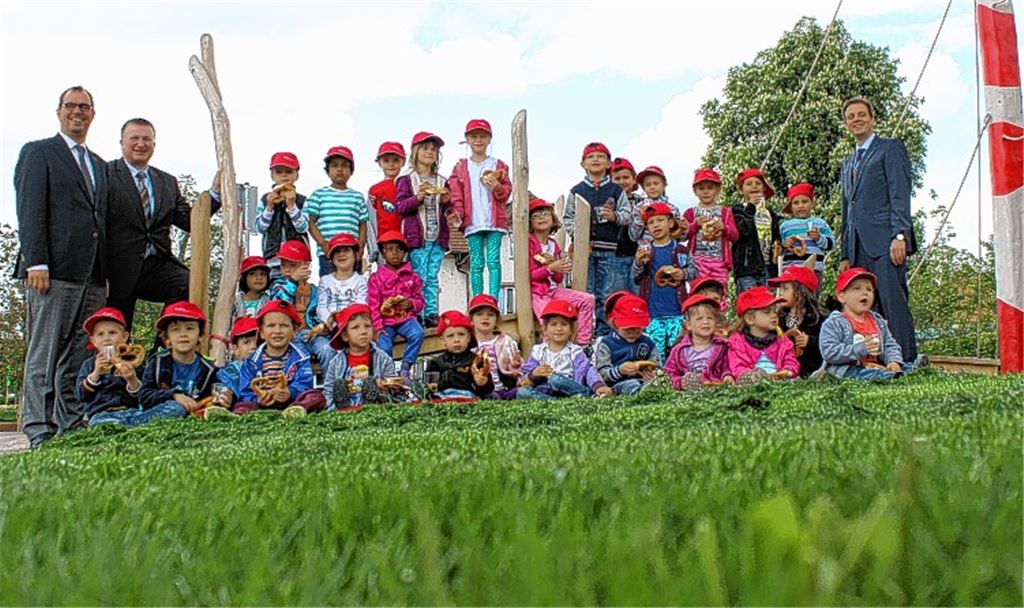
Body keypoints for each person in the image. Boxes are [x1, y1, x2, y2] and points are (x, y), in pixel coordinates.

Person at [15, 85, 109, 448]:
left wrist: (104, 276)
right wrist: (36, 260)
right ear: (59, 112)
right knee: (45, 351)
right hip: (52, 273)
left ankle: (69, 424)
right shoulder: (39, 153)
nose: (78, 112)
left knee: (74, 355)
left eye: (84, 106)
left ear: (93, 114)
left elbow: (101, 222)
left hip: (91, 277)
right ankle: (38, 428)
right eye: (71, 106)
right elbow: (31, 209)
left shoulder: (99, 165)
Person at [106, 117, 221, 335]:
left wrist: (214, 193)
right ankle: (117, 366)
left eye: (146, 139)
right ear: (121, 142)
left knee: (188, 283)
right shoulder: (106, 174)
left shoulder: (166, 182)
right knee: (116, 328)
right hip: (117, 267)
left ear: (154, 144)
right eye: (134, 138)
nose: (141, 144)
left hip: (156, 264)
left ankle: (165, 348)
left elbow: (190, 221)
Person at [840, 96, 918, 360]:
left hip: (886, 241)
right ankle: (879, 360)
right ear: (846, 123)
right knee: (865, 307)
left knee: (892, 301)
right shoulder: (847, 163)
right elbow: (847, 210)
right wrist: (844, 253)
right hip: (858, 246)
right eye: (851, 116)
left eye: (862, 114)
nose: (856, 119)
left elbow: (900, 194)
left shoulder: (890, 149)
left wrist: (900, 235)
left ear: (872, 119)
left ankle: (906, 360)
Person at [565, 142, 631, 338]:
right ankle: (585, 336)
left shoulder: (615, 190)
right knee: (586, 294)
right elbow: (568, 217)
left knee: (605, 295)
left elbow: (627, 214)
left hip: (609, 249)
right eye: (591, 157)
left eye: (601, 156)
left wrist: (615, 217)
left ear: (609, 164)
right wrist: (578, 236)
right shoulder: (576, 190)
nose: (595, 160)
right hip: (585, 252)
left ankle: (603, 337)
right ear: (582, 163)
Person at [449, 119, 513, 299]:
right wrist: (459, 213)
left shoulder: (498, 166)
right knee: (476, 262)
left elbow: (506, 193)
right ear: (467, 140)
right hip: (473, 221)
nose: (478, 140)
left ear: (489, 139)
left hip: (494, 221)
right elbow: (456, 193)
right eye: (474, 136)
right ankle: (477, 298)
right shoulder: (461, 167)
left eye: (483, 136)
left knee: (494, 261)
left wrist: (497, 187)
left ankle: (493, 297)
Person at [229, 300, 327, 417]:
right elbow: (245, 391)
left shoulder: (304, 358)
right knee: (242, 405)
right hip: (261, 405)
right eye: (271, 326)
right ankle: (239, 415)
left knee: (317, 397)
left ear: (294, 331)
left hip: (292, 403)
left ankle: (294, 412)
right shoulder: (251, 362)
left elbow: (306, 383)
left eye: (284, 326)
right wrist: (259, 399)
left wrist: (290, 393)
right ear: (261, 333)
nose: (277, 331)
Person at [395, 131, 451, 328]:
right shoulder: (407, 180)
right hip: (417, 238)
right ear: (416, 152)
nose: (430, 152)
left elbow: (450, 209)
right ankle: (417, 312)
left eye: (434, 149)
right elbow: (400, 207)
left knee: (433, 276)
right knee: (418, 275)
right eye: (426, 148)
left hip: (437, 237)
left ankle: (431, 313)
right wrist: (417, 197)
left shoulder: (443, 181)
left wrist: (446, 202)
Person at [819, 267, 917, 380]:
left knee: (907, 367)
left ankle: (906, 370)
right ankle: (890, 376)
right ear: (842, 297)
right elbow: (829, 352)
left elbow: (889, 345)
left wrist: (893, 361)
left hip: (877, 366)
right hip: (847, 370)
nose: (865, 292)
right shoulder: (834, 323)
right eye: (857, 288)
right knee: (867, 375)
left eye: (869, 289)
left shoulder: (878, 321)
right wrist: (860, 349)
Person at [631, 203, 699, 360]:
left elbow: (695, 272)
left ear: (670, 223)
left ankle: (677, 377)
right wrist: (639, 263)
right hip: (653, 314)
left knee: (678, 349)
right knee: (656, 353)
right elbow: (635, 277)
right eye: (650, 223)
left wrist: (682, 273)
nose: (655, 225)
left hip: (677, 312)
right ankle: (658, 380)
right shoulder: (645, 250)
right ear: (647, 229)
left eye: (660, 220)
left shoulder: (681, 250)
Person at [527, 198, 595, 346]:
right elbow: (529, 276)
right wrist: (550, 268)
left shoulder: (553, 245)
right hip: (537, 293)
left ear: (553, 219)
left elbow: (558, 279)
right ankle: (547, 352)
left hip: (553, 291)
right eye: (535, 216)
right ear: (530, 223)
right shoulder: (529, 243)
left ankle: (583, 343)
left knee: (587, 300)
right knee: (550, 318)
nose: (541, 218)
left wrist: (555, 266)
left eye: (545, 214)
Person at [138, 301, 217, 419]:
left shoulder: (208, 369)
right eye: (176, 330)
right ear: (167, 338)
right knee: (175, 408)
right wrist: (173, 395)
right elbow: (144, 396)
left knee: (178, 409)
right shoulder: (158, 362)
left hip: (187, 417)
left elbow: (211, 397)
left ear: (200, 335)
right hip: (156, 413)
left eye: (189, 328)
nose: (183, 334)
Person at [518, 300, 612, 399]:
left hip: (569, 386)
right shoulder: (538, 351)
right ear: (545, 329)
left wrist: (598, 385)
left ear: (571, 329)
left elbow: (588, 370)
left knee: (555, 380)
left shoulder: (575, 351)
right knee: (522, 392)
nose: (559, 328)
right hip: (546, 390)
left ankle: (584, 394)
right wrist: (534, 374)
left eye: (564, 324)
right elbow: (526, 375)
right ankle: (554, 401)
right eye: (553, 324)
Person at [366, 231, 426, 377]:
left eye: (399, 249)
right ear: (383, 253)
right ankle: (389, 375)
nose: (395, 253)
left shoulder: (413, 277)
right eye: (389, 249)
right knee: (384, 346)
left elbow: (420, 300)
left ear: (405, 252)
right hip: (385, 322)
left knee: (418, 334)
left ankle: (405, 368)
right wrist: (377, 327)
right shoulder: (376, 278)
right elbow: (373, 305)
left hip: (406, 319)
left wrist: (411, 304)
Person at [267, 240, 335, 366]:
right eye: (283, 265)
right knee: (300, 358)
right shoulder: (278, 286)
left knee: (327, 350)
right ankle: (301, 385)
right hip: (291, 336)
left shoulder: (314, 290)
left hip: (312, 335)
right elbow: (279, 306)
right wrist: (293, 281)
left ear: (305, 266)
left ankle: (330, 385)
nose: (287, 269)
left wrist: (322, 327)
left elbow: (318, 314)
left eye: (292, 265)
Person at [322, 303, 402, 410]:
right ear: (345, 336)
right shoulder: (336, 362)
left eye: (367, 326)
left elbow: (393, 384)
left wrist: (383, 385)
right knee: (339, 384)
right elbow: (328, 389)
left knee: (370, 383)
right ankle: (343, 408)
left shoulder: (383, 358)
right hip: (345, 407)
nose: (363, 332)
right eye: (355, 327)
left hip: (376, 406)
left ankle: (369, 405)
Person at [305, 146, 368, 277]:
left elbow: (362, 224)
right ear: (327, 171)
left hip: (351, 253)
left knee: (353, 288)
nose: (340, 169)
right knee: (328, 289)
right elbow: (310, 222)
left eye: (344, 165)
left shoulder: (357, 196)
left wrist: (360, 248)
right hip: (328, 253)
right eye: (334, 165)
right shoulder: (319, 194)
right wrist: (323, 243)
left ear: (351, 171)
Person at [74, 308, 144, 426]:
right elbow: (81, 395)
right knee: (108, 425)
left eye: (112, 333)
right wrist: (96, 374)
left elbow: (144, 395)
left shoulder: (132, 362)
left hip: (132, 411)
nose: (106, 338)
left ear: (124, 337)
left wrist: (132, 379)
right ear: (94, 341)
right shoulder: (89, 365)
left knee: (165, 413)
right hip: (102, 414)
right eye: (100, 334)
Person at [683, 168, 739, 310]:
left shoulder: (725, 212)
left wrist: (724, 228)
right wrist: (695, 225)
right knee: (698, 294)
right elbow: (682, 235)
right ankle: (698, 323)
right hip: (697, 260)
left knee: (719, 294)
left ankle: (719, 326)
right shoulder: (691, 213)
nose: (706, 191)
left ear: (718, 189)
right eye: (701, 188)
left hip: (719, 261)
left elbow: (735, 235)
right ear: (695, 191)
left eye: (710, 188)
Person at [726, 286, 800, 383]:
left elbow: (790, 360)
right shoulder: (737, 342)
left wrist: (789, 370)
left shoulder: (782, 339)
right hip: (752, 381)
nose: (774, 315)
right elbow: (737, 366)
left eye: (775, 311)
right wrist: (748, 375)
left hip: (779, 379)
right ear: (750, 319)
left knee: (795, 380)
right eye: (767, 312)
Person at [591, 291, 660, 396]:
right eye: (627, 329)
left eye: (637, 329)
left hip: (643, 380)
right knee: (630, 384)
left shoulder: (647, 342)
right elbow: (602, 373)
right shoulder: (607, 344)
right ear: (614, 324)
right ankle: (640, 391)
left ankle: (647, 390)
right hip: (618, 384)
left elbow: (657, 365)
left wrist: (652, 373)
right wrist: (619, 371)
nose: (632, 333)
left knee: (655, 382)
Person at [256, 151, 309, 277]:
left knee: (297, 293)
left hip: (297, 259)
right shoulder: (265, 200)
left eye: (289, 172)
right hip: (273, 258)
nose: (284, 176)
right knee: (276, 292)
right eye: (279, 172)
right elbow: (260, 228)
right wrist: (269, 207)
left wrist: (291, 206)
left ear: (297, 175)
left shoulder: (302, 200)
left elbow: (303, 227)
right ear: (272, 176)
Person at [664, 294, 732, 390]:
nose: (705, 322)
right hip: (688, 394)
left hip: (715, 389)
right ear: (688, 325)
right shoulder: (679, 350)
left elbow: (727, 366)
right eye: (699, 318)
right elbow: (669, 373)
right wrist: (680, 383)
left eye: (710, 318)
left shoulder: (722, 346)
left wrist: (727, 375)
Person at [769, 265, 825, 377]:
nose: (780, 293)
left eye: (785, 288)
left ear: (801, 292)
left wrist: (810, 341)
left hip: (808, 369)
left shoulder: (816, 319)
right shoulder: (779, 318)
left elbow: (826, 344)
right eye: (780, 289)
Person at [731, 168, 781, 294]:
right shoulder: (737, 211)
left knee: (768, 306)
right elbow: (743, 231)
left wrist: (779, 246)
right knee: (750, 306)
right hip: (747, 269)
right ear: (741, 190)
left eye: (758, 183)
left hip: (768, 269)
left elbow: (776, 237)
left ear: (764, 188)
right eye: (749, 184)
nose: (754, 186)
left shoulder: (770, 214)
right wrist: (751, 207)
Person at [426, 311, 495, 400]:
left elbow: (489, 388)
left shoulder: (476, 360)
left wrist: (482, 383)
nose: (457, 340)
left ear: (469, 337)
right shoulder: (436, 362)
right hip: (443, 397)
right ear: (443, 340)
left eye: (461, 334)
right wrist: (432, 385)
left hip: (468, 397)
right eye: (450, 336)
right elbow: (429, 383)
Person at [469, 294, 522, 399]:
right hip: (479, 389)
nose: (485, 318)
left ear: (497, 320)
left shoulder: (506, 341)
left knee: (524, 392)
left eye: (491, 314)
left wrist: (515, 365)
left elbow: (517, 370)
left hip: (505, 388)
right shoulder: (469, 344)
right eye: (479, 314)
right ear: (471, 319)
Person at [206, 316, 260, 417]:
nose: (254, 346)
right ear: (236, 350)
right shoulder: (229, 372)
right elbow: (227, 388)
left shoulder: (271, 366)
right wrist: (227, 396)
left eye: (258, 342)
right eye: (246, 342)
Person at [779, 182, 835, 278]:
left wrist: (819, 238)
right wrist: (784, 246)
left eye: (805, 201)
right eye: (796, 203)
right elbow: (779, 249)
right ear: (790, 206)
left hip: (814, 270)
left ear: (812, 203)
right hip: (791, 270)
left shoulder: (820, 223)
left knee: (812, 293)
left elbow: (832, 244)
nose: (800, 206)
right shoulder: (785, 226)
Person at [316, 233, 369, 334]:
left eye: (346, 250)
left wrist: (346, 323)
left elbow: (361, 305)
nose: (341, 254)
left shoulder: (361, 280)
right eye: (337, 251)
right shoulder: (325, 281)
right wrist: (331, 323)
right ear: (331, 258)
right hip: (330, 327)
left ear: (355, 255)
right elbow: (321, 306)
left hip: (354, 326)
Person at [628, 165, 687, 249]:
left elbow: (681, 238)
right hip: (647, 254)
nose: (652, 187)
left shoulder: (672, 209)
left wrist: (683, 229)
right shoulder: (638, 208)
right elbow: (633, 237)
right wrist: (639, 219)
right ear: (643, 188)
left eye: (656, 183)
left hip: (669, 252)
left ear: (664, 185)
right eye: (648, 185)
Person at [367, 142, 406, 265]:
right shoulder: (375, 190)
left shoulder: (408, 185)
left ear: (403, 162)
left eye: (395, 160)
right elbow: (370, 220)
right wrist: (373, 247)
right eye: (386, 160)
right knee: (385, 278)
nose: (391, 164)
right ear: (379, 162)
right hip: (384, 244)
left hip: (405, 243)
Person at [233, 256, 271, 321]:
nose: (259, 278)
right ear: (244, 278)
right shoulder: (234, 301)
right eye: (252, 274)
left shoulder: (269, 302)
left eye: (263, 274)